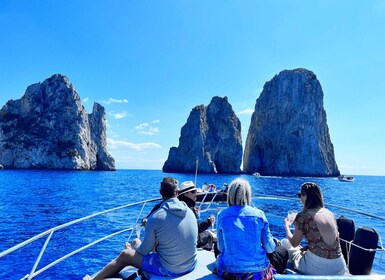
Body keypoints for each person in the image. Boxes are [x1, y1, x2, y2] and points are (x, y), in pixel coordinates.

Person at [84, 177, 198, 280]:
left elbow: (144, 250)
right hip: (191, 264)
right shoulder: (190, 211)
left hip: (170, 270)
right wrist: (136, 246)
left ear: (161, 193)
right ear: (177, 193)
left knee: (125, 254)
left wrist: (132, 250)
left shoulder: (156, 217)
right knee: (136, 242)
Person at [214, 178, 287, 279]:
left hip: (229, 272)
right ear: (247, 195)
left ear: (229, 194)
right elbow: (269, 249)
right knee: (282, 250)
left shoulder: (221, 215)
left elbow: (221, 248)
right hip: (255, 272)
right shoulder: (259, 214)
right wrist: (275, 243)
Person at [282, 182, 347, 275]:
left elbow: (294, 243)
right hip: (339, 267)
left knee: (285, 243)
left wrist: (287, 226)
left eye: (300, 195)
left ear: (305, 196)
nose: (300, 198)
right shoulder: (330, 214)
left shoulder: (302, 216)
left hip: (317, 269)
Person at [178, 181, 216, 251]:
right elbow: (195, 230)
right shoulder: (188, 209)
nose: (196, 193)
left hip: (178, 240)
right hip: (187, 242)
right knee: (209, 235)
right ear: (185, 194)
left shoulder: (180, 205)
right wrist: (209, 222)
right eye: (193, 192)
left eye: (195, 191)